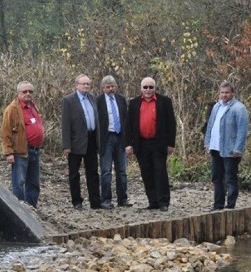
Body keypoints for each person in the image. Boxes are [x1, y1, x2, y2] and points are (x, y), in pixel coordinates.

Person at [125, 77, 177, 211]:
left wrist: (171, 143)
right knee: (146, 173)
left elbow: (171, 123)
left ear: (155, 88)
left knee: (160, 172)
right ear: (141, 88)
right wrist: (128, 144)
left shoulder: (164, 101)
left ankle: (163, 202)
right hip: (141, 144)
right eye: (145, 87)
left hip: (159, 143)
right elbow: (128, 125)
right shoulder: (134, 103)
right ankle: (152, 201)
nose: (148, 90)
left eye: (151, 87)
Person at [203, 81, 249, 210]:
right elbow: (210, 126)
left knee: (230, 178)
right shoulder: (217, 107)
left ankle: (230, 205)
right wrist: (207, 143)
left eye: (227, 92)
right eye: (222, 92)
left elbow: (242, 130)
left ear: (233, 93)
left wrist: (238, 148)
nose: (224, 95)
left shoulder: (239, 108)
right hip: (215, 148)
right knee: (217, 178)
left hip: (230, 149)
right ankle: (218, 204)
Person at [0, 80, 43, 207]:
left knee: (34, 184)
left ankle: (32, 209)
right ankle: (20, 210)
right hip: (20, 151)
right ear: (18, 93)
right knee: (19, 183)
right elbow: (5, 132)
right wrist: (8, 152)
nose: (28, 94)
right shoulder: (12, 109)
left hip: (35, 150)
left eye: (30, 91)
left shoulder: (32, 106)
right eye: (24, 92)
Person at [61, 74, 101, 210]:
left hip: (91, 140)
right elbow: (65, 124)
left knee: (93, 172)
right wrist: (66, 145)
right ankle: (77, 201)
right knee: (74, 174)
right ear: (76, 85)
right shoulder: (69, 100)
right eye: (83, 84)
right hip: (75, 142)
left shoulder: (93, 98)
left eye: (88, 84)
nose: (86, 86)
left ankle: (95, 201)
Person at [95, 75, 130, 208]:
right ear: (103, 88)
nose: (110, 89)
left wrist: (128, 141)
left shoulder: (121, 99)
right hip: (106, 139)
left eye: (112, 86)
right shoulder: (98, 100)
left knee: (122, 171)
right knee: (106, 171)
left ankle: (123, 199)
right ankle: (106, 200)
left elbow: (126, 119)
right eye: (108, 87)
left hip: (120, 138)